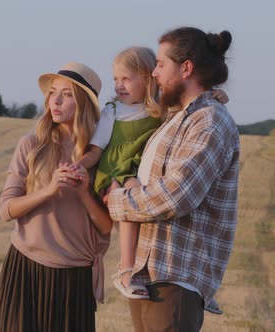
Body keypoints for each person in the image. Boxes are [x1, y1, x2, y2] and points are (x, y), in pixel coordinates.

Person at [105, 27, 239, 332]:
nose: (154, 73)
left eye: (162, 64)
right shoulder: (177, 119)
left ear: (186, 68)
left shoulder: (210, 121)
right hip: (150, 276)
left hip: (175, 280)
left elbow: (175, 196)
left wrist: (115, 201)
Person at [77, 47, 229, 302]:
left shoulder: (160, 110)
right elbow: (95, 150)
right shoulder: (112, 111)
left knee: (144, 198)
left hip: (139, 173)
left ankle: (153, 269)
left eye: (126, 79)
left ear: (147, 79)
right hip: (116, 172)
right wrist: (78, 166)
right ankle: (126, 269)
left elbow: (190, 107)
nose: (119, 86)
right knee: (132, 195)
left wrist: (216, 95)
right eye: (116, 79)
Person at [0, 62, 113, 332]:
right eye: (52, 93)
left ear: (83, 103)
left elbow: (106, 226)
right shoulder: (32, 145)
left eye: (67, 95)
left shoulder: (102, 156)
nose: (55, 101)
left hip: (74, 278)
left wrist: (83, 193)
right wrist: (48, 190)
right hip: (25, 270)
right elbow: (6, 210)